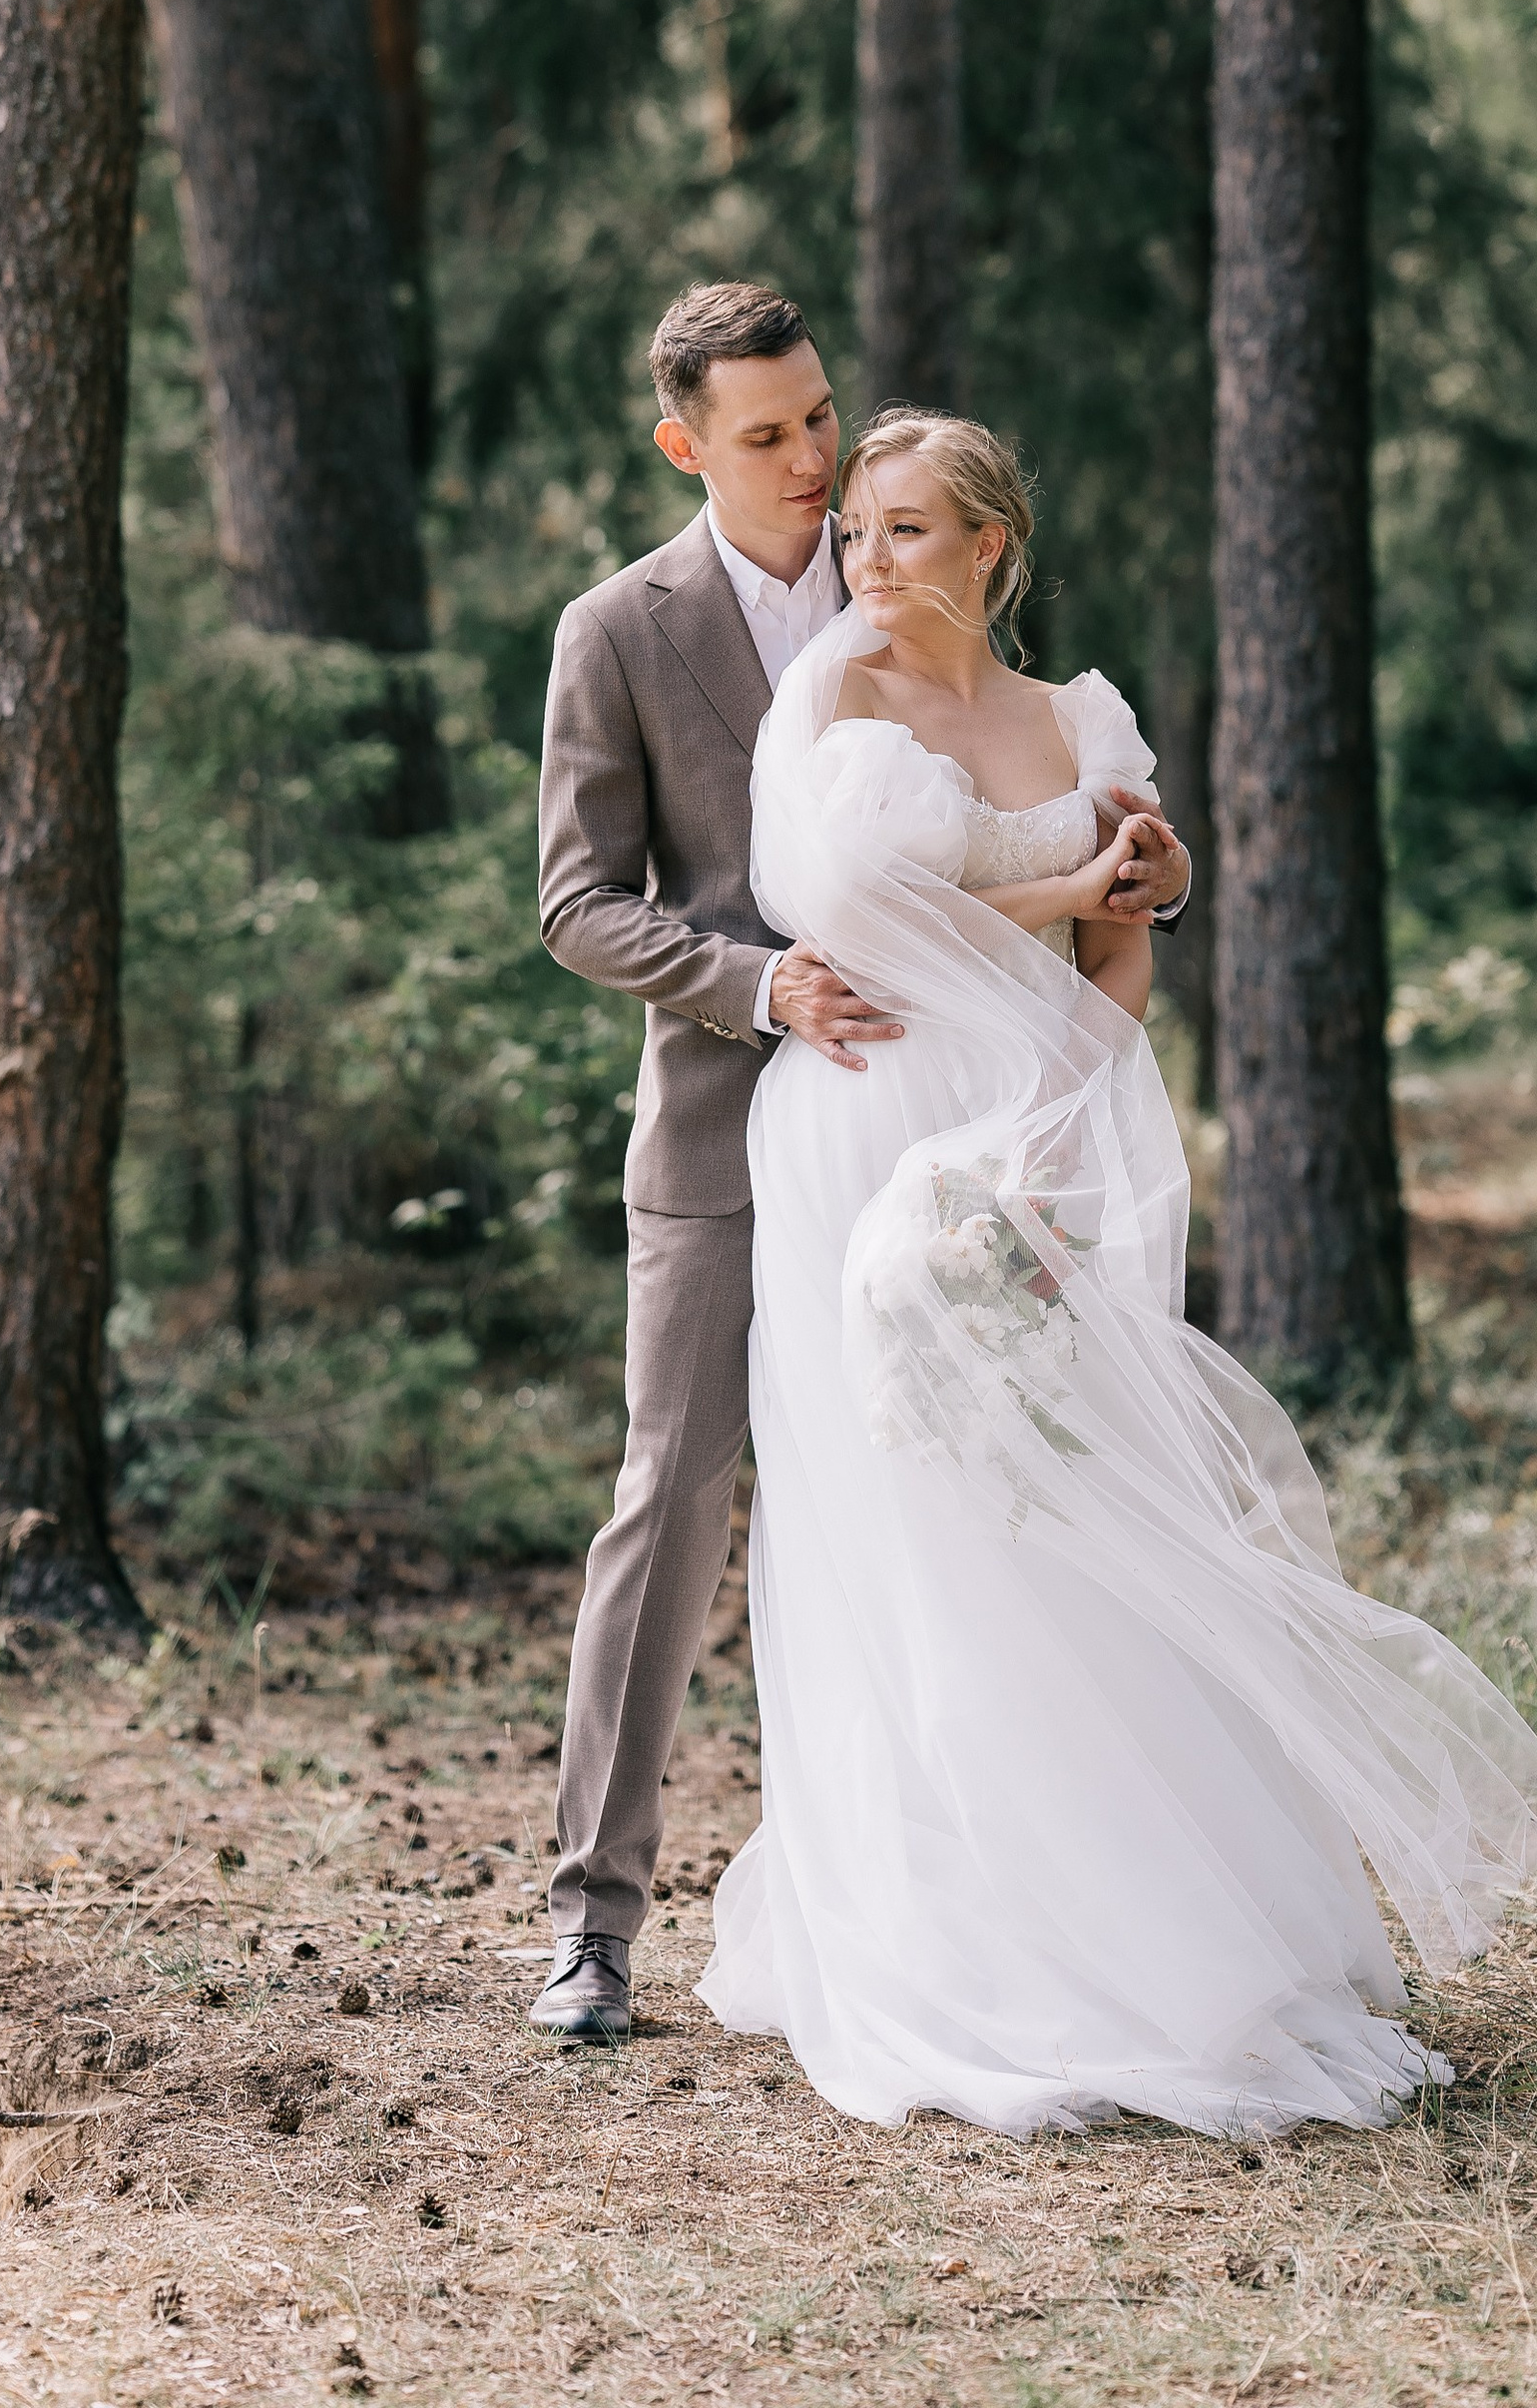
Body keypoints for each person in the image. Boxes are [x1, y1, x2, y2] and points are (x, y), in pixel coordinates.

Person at [697, 406, 1537, 2132]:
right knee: (904, 1528)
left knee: (1060, 1520)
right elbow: (848, 923)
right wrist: (1083, 880)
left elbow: (1119, 961)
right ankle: (945, 1920)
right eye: (860, 530)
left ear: (993, 547)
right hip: (864, 1137)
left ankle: (1133, 1915)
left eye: (914, 532)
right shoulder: (831, 702)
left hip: (1028, 1140)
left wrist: (1086, 1051)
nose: (872, 562)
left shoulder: (1079, 722)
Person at [530, 291, 1187, 2042]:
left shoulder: (909, 553)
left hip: (946, 1126)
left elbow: (1052, 801)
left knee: (975, 1494)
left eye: (818, 416)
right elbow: (575, 900)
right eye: (768, 436)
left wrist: (1150, 878)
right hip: (728, 1126)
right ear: (687, 446)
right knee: (670, 1497)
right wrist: (754, 982)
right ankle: (594, 1919)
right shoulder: (619, 630)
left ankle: (976, 1887)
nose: (814, 462)